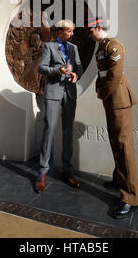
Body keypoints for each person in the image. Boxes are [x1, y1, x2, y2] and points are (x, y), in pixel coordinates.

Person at [87, 17, 138, 219]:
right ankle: (120, 179)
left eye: (90, 30)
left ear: (98, 28)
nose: (88, 34)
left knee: (124, 146)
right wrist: (98, 88)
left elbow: (115, 74)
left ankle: (130, 197)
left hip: (118, 100)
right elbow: (102, 73)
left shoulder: (113, 46)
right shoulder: (101, 46)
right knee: (114, 142)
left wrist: (103, 92)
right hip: (110, 100)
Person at [35, 20, 83, 193]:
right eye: (69, 31)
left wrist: (76, 74)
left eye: (72, 31)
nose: (71, 34)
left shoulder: (73, 48)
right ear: (60, 31)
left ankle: (67, 168)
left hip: (69, 92)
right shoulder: (49, 46)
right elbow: (41, 68)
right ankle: (43, 171)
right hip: (53, 92)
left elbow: (79, 66)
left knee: (68, 130)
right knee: (50, 128)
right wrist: (58, 71)